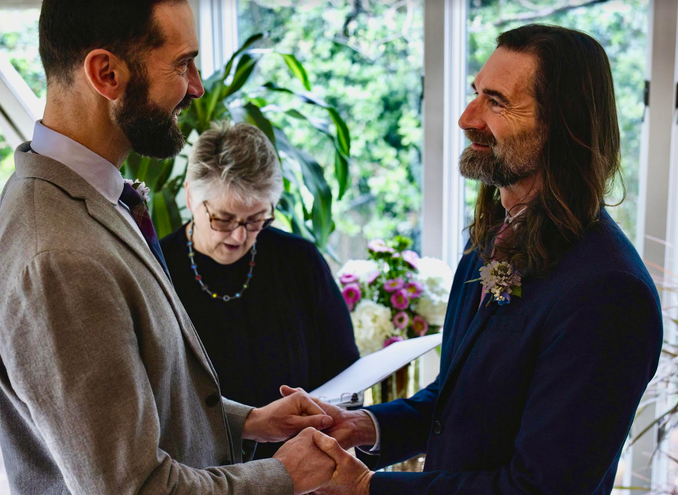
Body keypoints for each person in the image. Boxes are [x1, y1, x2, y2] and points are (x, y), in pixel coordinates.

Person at [282, 24, 664, 494]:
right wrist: (364, 425)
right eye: (475, 94)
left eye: (497, 102)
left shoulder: (608, 293)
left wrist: (369, 488)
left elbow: (538, 489)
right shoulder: (489, 240)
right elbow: (458, 401)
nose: (467, 118)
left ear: (563, 125)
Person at [0, 1, 338, 493]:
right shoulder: (60, 257)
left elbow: (136, 403)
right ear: (107, 74)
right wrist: (284, 475)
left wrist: (248, 421)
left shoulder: (80, 198)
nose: (198, 87)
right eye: (182, 63)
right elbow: (135, 487)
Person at [160, 121, 360, 459]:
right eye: (223, 219)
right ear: (191, 196)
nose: (239, 236)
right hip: (196, 474)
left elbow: (344, 373)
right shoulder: (157, 269)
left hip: (298, 468)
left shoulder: (299, 261)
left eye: (256, 220)